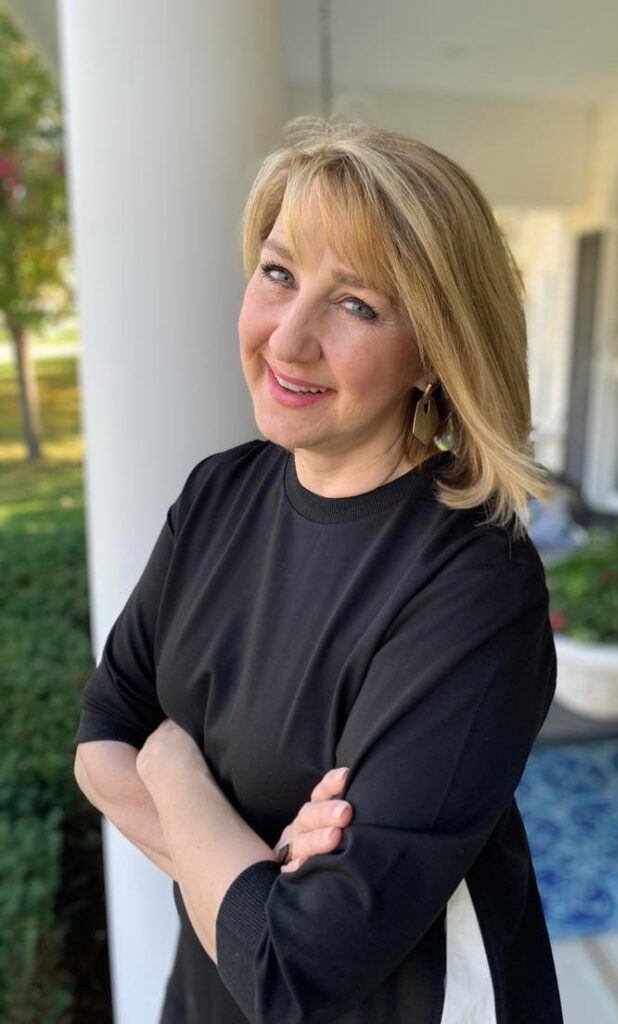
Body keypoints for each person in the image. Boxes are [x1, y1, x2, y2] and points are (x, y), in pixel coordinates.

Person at [73, 116, 564, 1023]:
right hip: (209, 991)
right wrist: (249, 879)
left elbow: (299, 971)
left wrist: (175, 768)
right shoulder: (219, 493)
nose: (287, 339)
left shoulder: (475, 583)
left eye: (357, 305)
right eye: (279, 273)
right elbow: (102, 736)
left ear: (433, 352)